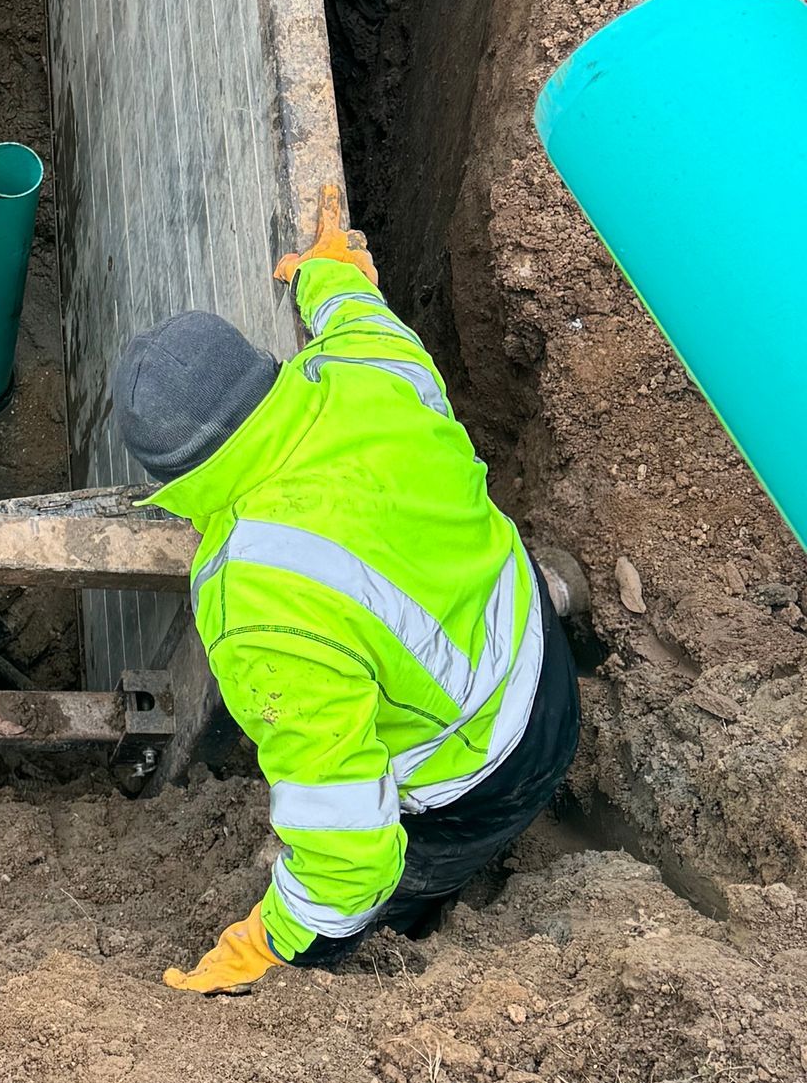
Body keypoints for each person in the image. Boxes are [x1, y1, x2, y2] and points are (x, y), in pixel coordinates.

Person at [112, 183, 581, 992]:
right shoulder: (363, 371)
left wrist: (281, 944)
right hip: (534, 636)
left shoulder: (256, 602)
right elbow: (359, 314)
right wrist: (324, 271)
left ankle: (400, 942)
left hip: (479, 775)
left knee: (386, 900)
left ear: (174, 481)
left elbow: (349, 842)